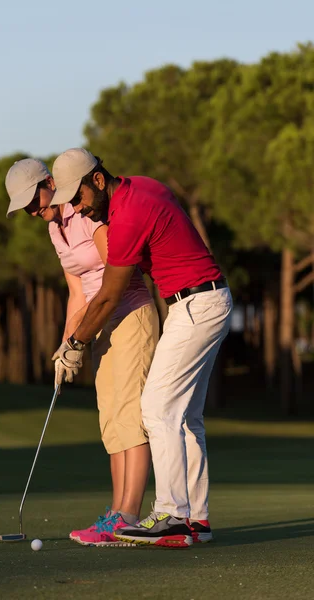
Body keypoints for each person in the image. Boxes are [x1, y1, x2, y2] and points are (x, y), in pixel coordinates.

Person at [51, 148, 233, 548]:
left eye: (79, 198)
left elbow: (109, 295)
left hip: (196, 305)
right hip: (204, 300)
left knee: (155, 407)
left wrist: (76, 342)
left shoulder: (129, 214)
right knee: (185, 416)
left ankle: (171, 514)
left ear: (98, 181)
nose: (78, 210)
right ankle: (196, 520)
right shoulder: (141, 188)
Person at [5, 158, 159, 546]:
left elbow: (116, 279)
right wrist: (65, 347)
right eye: (24, 207)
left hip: (129, 316)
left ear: (51, 183)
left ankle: (127, 516)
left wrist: (80, 339)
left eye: (33, 200)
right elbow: (77, 294)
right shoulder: (55, 230)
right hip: (96, 327)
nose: (32, 210)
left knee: (130, 417)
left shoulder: (86, 213)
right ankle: (115, 513)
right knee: (111, 420)